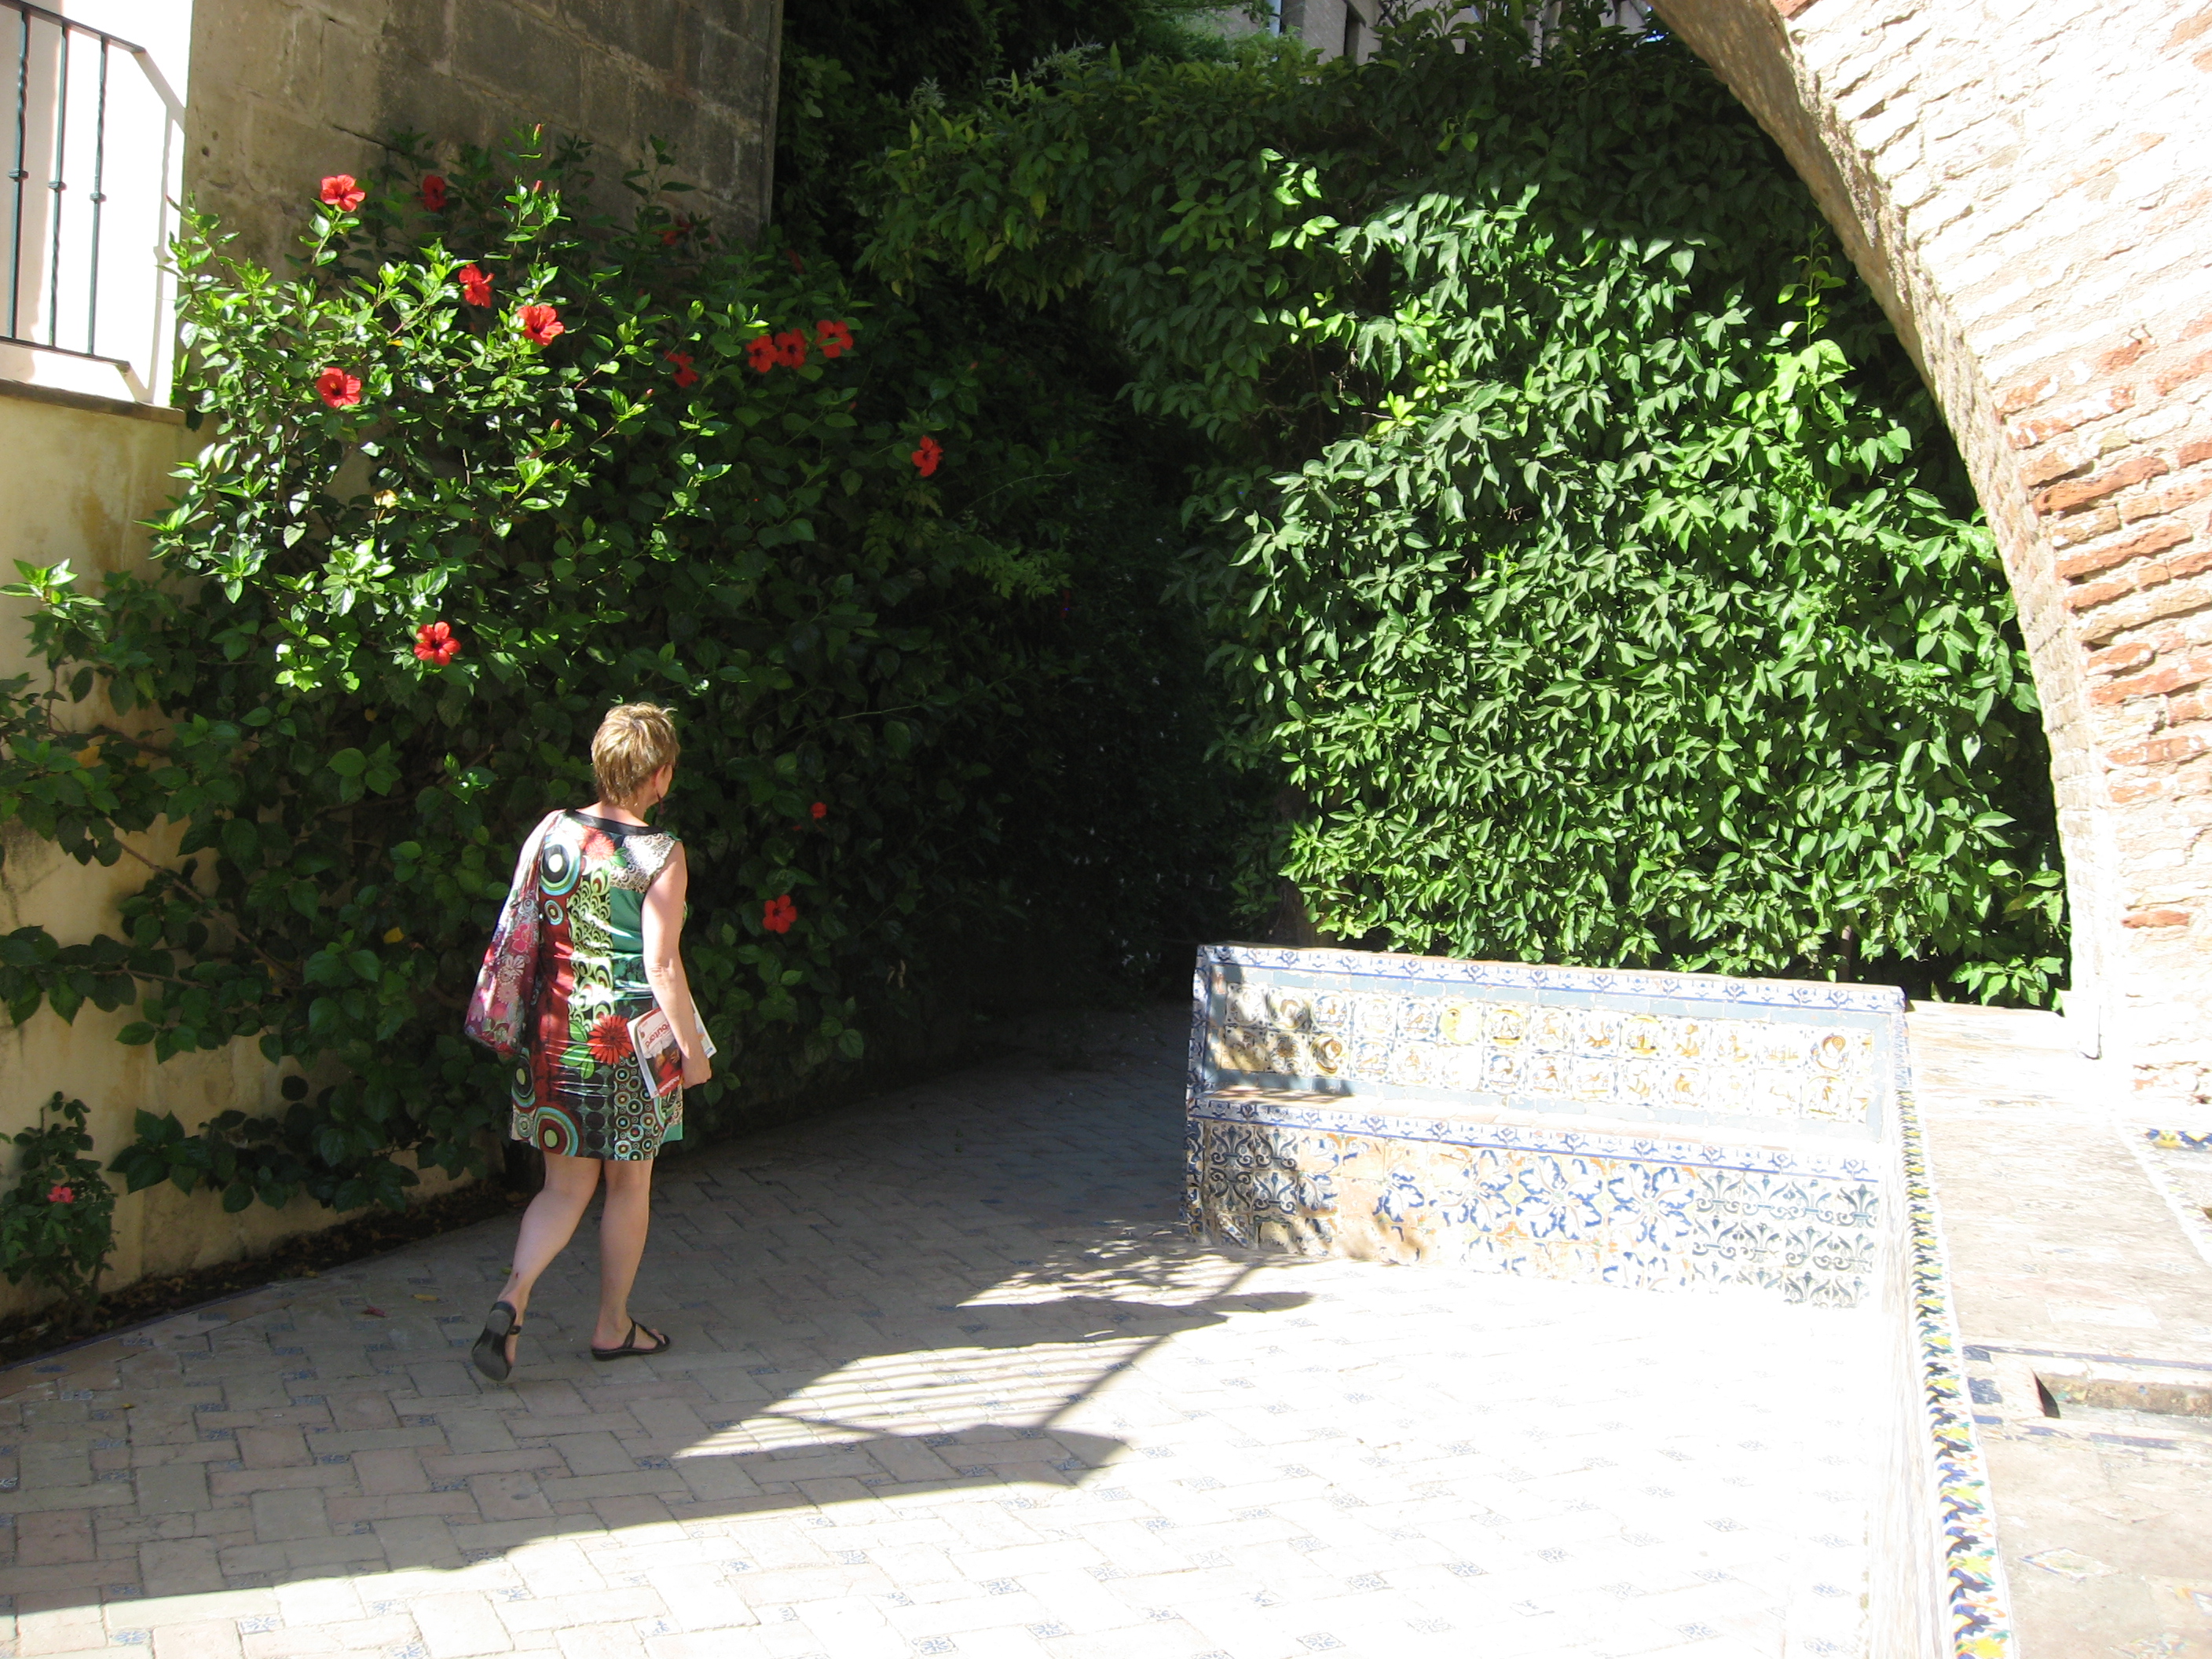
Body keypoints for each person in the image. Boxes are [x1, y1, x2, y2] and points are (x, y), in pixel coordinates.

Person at [468, 702, 712, 1382]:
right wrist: (693, 1053)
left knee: (562, 1189)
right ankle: (613, 1325)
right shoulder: (660, 853)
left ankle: (512, 1298)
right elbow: (662, 965)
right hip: (631, 1045)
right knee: (629, 1184)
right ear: (661, 775)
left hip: (555, 1035)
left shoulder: (553, 830)